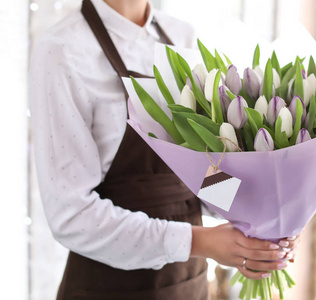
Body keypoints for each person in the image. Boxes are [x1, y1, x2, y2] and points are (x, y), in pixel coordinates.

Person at [29, 0, 299, 298]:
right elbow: (71, 215)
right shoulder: (62, 50)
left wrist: (259, 216)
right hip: (108, 286)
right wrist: (200, 243)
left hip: (188, 283)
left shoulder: (181, 36)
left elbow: (198, 173)